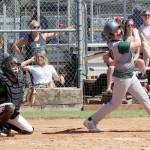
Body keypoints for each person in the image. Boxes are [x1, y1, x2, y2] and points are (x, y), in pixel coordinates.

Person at [83, 21, 150, 133]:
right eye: (117, 29)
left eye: (119, 28)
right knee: (115, 104)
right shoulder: (120, 45)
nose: (120, 30)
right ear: (111, 34)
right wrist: (136, 32)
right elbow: (138, 43)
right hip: (122, 78)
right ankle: (91, 120)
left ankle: (91, 120)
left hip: (130, 75)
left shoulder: (116, 43)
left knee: (144, 98)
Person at [0, 54, 34, 136]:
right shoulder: (1, 79)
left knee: (28, 130)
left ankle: (5, 125)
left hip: (11, 113)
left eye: (17, 65)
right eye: (12, 65)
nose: (16, 67)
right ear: (6, 67)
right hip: (2, 107)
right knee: (9, 106)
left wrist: (30, 96)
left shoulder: (21, 81)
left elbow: (24, 103)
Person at [140, 10, 150, 91]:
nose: (147, 16)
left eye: (149, 15)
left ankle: (145, 71)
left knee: (145, 45)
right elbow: (143, 40)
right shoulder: (141, 28)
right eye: (145, 15)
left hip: (146, 50)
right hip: (145, 48)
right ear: (142, 17)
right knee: (144, 44)